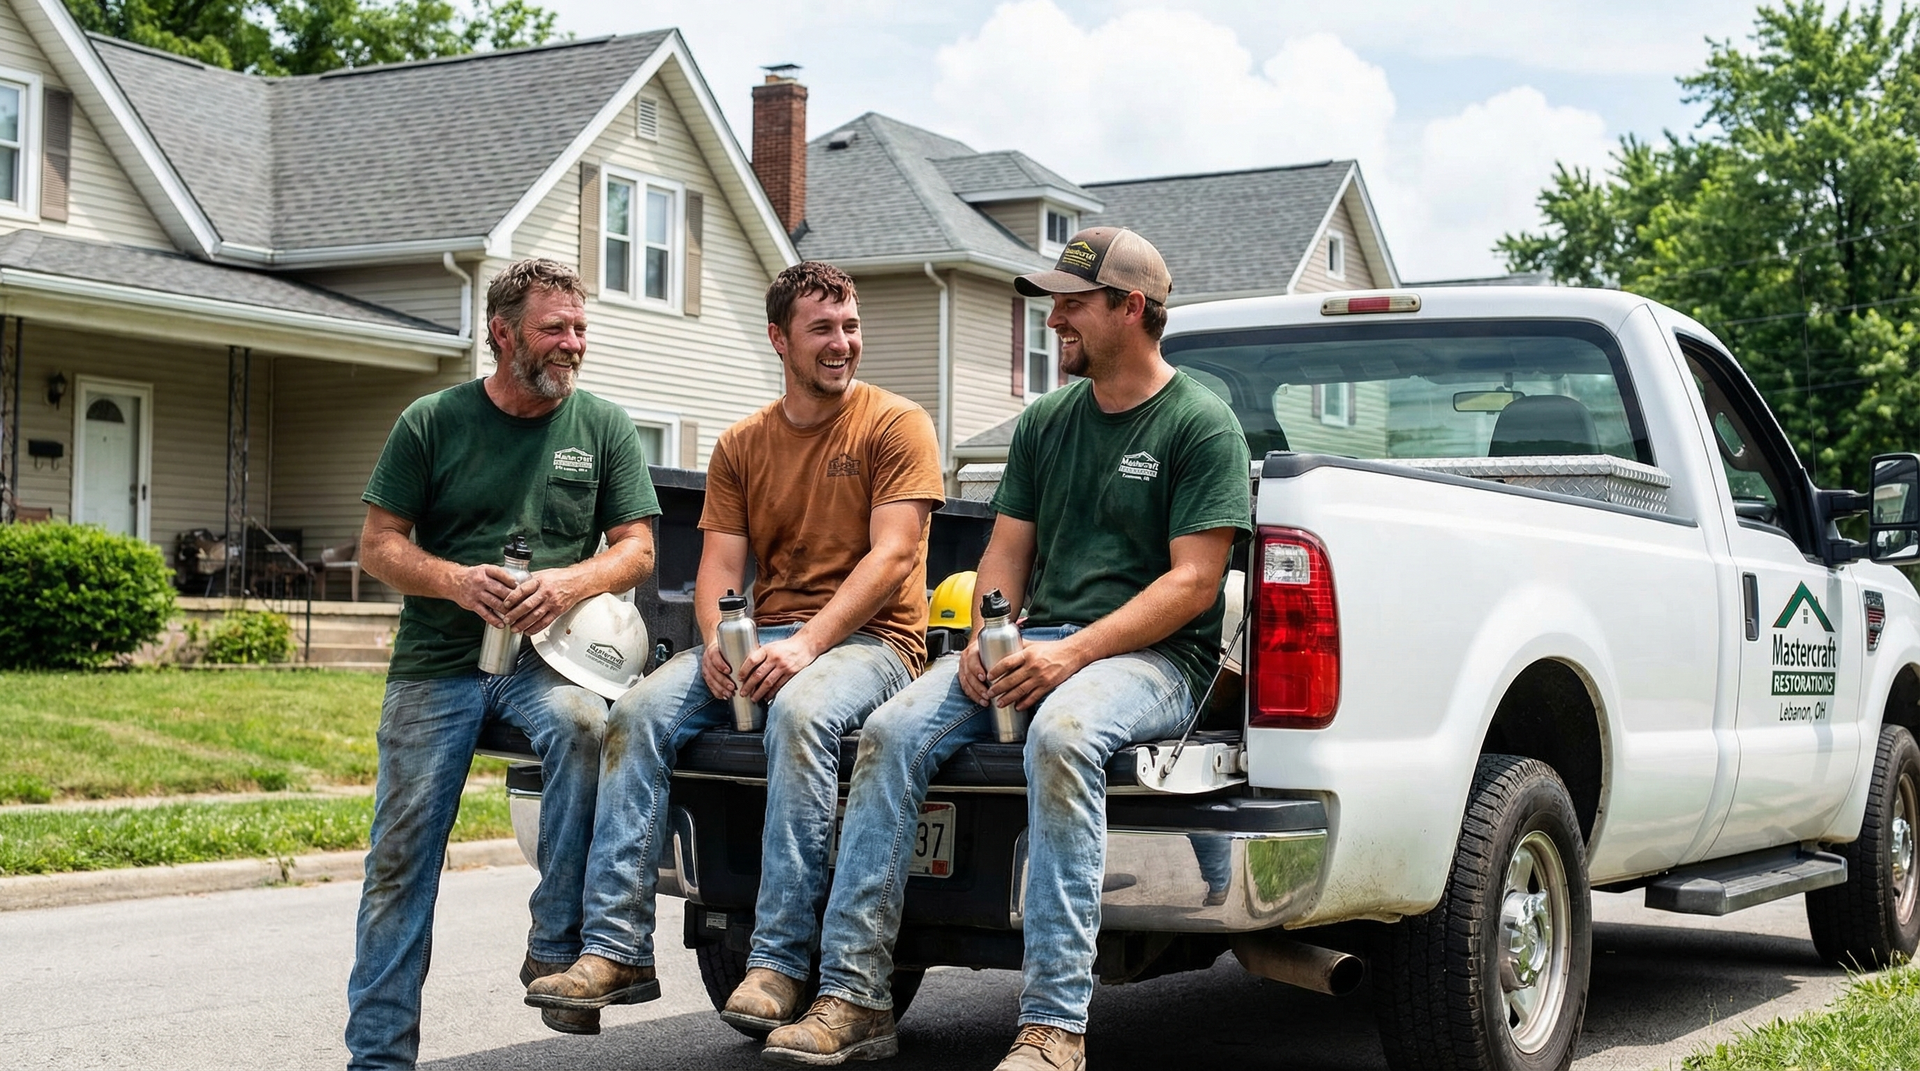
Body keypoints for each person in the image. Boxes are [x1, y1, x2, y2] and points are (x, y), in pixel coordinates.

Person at [764, 228, 1251, 1070]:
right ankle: (854, 995)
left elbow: (1193, 584)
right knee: (889, 731)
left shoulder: (1200, 424)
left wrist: (1067, 657)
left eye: (1072, 302)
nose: (1053, 317)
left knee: (1064, 735)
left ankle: (1055, 1025)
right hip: (1041, 643)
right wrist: (991, 635)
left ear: (1130, 308)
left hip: (1160, 661)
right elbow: (1007, 556)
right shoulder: (1049, 421)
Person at [524, 262, 947, 1035]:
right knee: (639, 710)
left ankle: (780, 962)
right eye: (823, 328)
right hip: (771, 637)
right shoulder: (743, 442)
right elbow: (721, 566)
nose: (842, 343)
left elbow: (892, 557)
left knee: (802, 714)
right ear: (779, 339)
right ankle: (617, 946)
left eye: (850, 326)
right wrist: (721, 640)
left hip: (870, 640)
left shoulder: (896, 423)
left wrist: (805, 647)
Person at [344, 258, 661, 1069]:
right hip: (437, 663)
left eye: (580, 328)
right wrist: (456, 580)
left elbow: (636, 547)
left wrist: (570, 581)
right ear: (502, 331)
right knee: (398, 863)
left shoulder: (601, 426)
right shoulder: (431, 420)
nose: (572, 344)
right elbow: (378, 545)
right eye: (555, 328)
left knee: (588, 725)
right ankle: (378, 1058)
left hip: (546, 663)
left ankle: (554, 945)